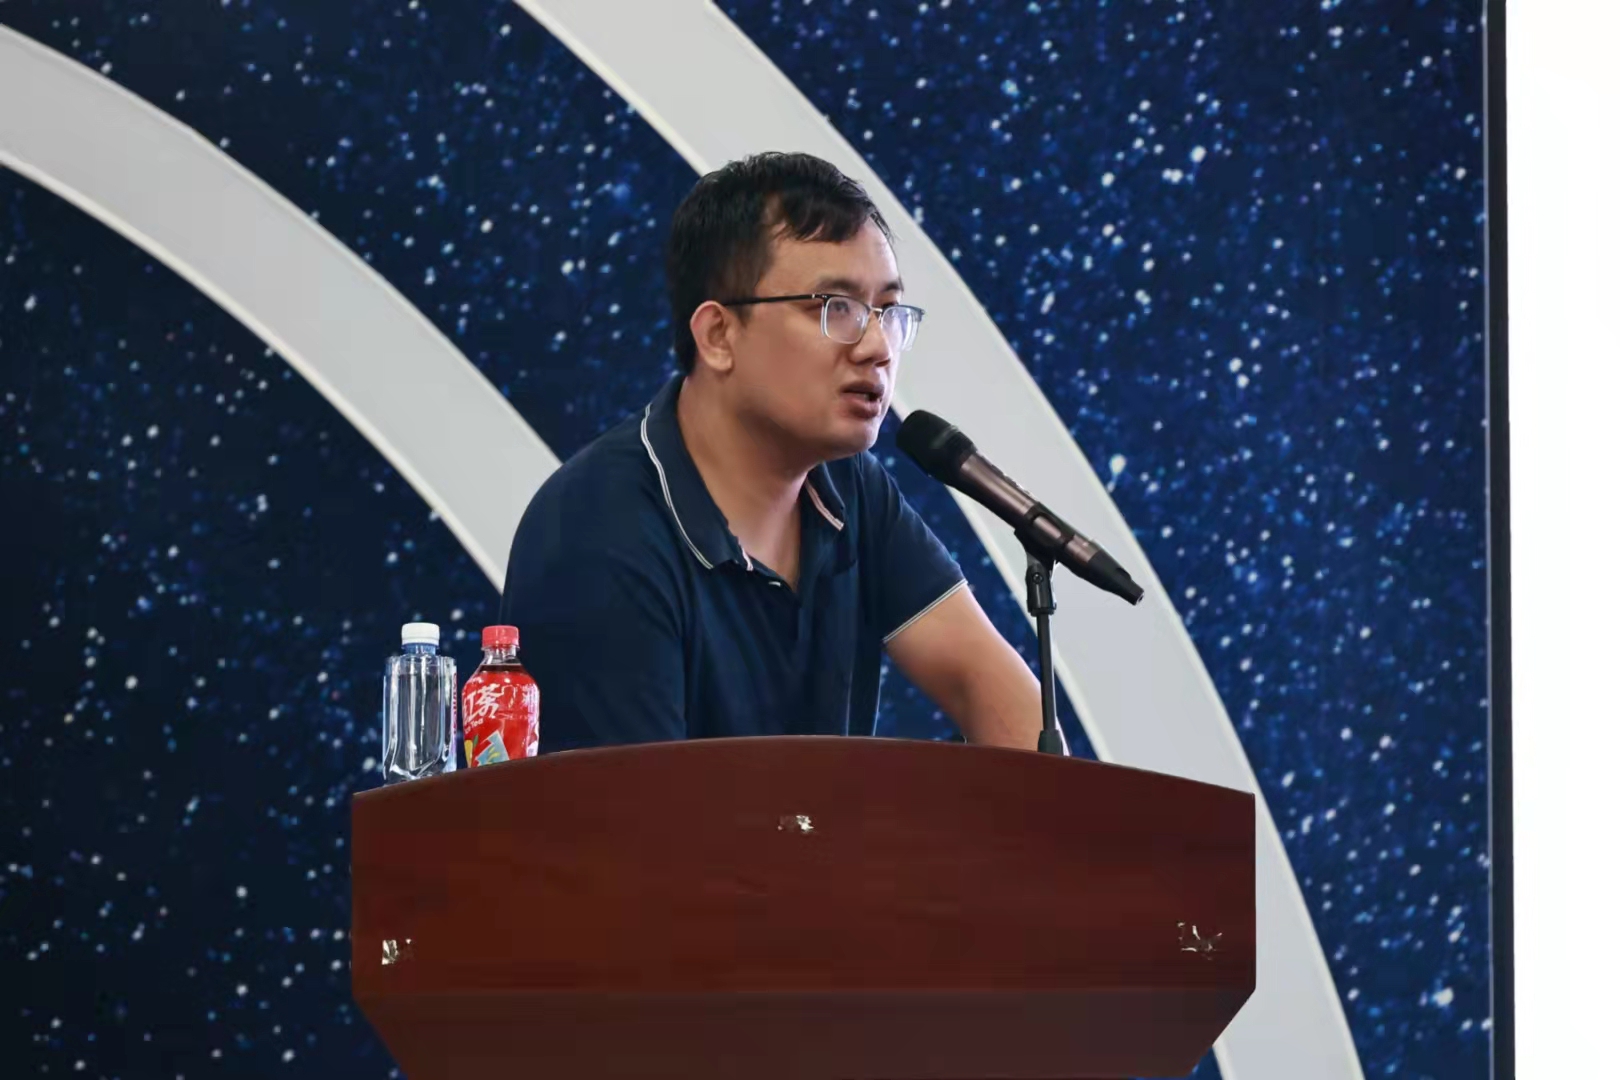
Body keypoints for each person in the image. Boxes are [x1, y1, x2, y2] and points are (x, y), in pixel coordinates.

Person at [500, 151, 1048, 751]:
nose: (878, 348)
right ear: (718, 336)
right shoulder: (599, 528)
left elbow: (994, 695)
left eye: (888, 312)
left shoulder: (850, 487)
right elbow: (637, 808)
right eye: (835, 308)